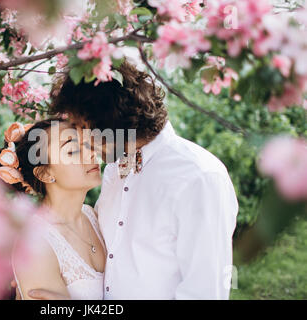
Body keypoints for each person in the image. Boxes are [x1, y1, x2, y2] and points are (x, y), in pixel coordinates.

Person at [18, 61, 239, 300]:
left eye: (82, 127)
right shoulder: (115, 169)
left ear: (109, 121)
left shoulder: (198, 178)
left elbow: (204, 293)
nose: (81, 139)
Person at [0, 119, 106, 299]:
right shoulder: (36, 244)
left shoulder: (93, 215)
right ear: (45, 173)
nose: (91, 154)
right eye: (72, 150)